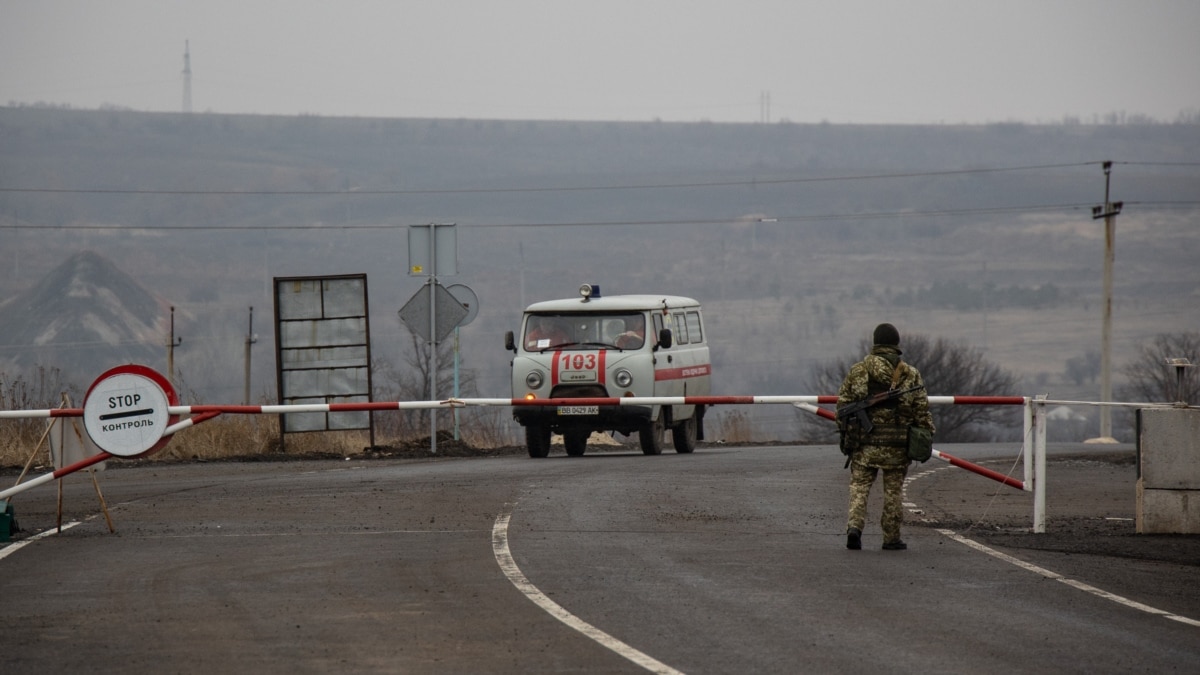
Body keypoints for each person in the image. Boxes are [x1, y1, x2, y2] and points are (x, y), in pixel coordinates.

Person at [837, 322, 935, 551]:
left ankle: (854, 528)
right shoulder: (909, 373)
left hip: (864, 444)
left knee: (859, 487)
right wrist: (928, 433)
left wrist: (847, 437)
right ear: (895, 344)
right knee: (893, 491)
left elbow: (841, 406)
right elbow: (921, 410)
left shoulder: (858, 370)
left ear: (875, 343)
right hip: (898, 444)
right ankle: (891, 537)